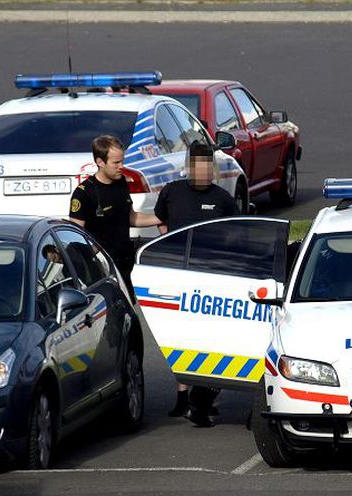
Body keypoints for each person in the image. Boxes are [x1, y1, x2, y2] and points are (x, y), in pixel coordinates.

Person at [154, 140, 237, 427]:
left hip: (212, 281)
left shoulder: (224, 199)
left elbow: (236, 235)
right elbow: (161, 223)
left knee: (210, 341)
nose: (203, 171)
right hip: (178, 279)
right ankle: (182, 398)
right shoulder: (172, 192)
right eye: (198, 166)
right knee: (180, 340)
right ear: (189, 167)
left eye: (207, 166)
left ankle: (203, 399)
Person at [68, 135, 161, 297]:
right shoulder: (84, 193)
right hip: (101, 269)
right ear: (100, 162)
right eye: (116, 163)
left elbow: (130, 217)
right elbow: (76, 236)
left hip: (125, 262)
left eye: (122, 161)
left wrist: (161, 217)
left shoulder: (121, 184)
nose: (121, 166)